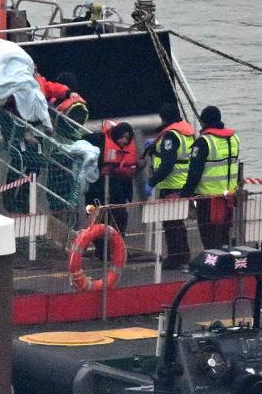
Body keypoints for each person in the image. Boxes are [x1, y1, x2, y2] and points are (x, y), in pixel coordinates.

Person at [181, 106, 240, 251]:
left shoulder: (203, 142)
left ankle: (212, 264)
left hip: (208, 197)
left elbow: (194, 172)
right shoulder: (234, 139)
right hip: (229, 196)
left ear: (204, 121)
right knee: (224, 231)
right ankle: (226, 260)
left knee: (208, 233)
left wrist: (185, 194)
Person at [146, 103, 196, 270]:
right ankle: (183, 255)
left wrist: (152, 181)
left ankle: (175, 258)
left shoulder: (171, 136)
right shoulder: (186, 132)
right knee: (178, 222)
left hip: (171, 184)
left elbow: (167, 164)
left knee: (171, 224)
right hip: (183, 182)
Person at [83, 121, 137, 257]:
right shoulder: (98, 141)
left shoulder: (127, 151)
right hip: (95, 191)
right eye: (122, 137)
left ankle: (117, 248)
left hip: (116, 191)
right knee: (95, 219)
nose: (124, 141)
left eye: (127, 138)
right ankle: (100, 250)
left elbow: (129, 171)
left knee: (120, 218)